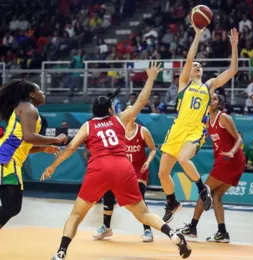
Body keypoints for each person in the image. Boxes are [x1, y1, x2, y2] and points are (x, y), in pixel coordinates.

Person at [40, 61, 192, 260]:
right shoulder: (120, 119)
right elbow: (141, 101)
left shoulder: (88, 125)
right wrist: (151, 77)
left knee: (76, 215)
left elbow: (70, 148)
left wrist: (52, 166)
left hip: (99, 167)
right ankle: (173, 234)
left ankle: (61, 253)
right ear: (110, 110)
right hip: (123, 167)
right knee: (142, 214)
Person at [159, 22, 239, 223]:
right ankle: (172, 202)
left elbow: (232, 71)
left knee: (184, 159)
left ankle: (202, 189)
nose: (197, 66)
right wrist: (197, 35)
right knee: (162, 173)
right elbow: (189, 59)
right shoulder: (184, 83)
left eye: (199, 65)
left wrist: (235, 46)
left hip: (195, 130)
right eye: (195, 65)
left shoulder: (208, 86)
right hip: (177, 128)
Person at [177, 94, 245, 243]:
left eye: (214, 99)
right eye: (210, 99)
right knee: (216, 196)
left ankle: (192, 227)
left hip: (230, 159)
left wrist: (232, 152)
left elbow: (239, 139)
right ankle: (222, 233)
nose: (211, 101)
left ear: (220, 104)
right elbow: (201, 138)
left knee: (204, 191)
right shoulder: (208, 122)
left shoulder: (224, 118)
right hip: (227, 161)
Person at [0, 79, 67, 229]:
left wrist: (43, 148)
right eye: (40, 91)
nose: (43, 93)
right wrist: (56, 139)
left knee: (12, 206)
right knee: (11, 206)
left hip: (8, 159)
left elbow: (23, 143)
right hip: (6, 160)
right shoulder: (29, 108)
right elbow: (29, 137)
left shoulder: (24, 108)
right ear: (32, 94)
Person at [93, 105, 157, 242]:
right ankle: (106, 227)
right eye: (128, 110)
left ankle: (147, 230)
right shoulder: (116, 132)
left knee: (139, 196)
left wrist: (149, 161)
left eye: (133, 110)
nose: (131, 112)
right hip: (121, 170)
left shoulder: (143, 131)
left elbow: (153, 149)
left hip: (138, 171)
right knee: (108, 190)